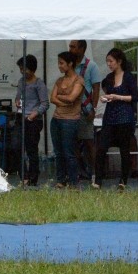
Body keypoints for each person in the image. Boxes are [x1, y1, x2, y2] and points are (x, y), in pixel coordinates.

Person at [93, 48, 138, 191]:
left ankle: (123, 180)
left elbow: (135, 97)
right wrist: (104, 97)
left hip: (125, 117)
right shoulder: (108, 78)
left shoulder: (129, 77)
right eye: (107, 61)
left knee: (124, 150)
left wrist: (118, 97)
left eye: (111, 61)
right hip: (110, 117)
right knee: (101, 148)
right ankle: (98, 180)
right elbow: (106, 92)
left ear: (119, 61)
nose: (109, 64)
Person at [49, 51, 85, 188]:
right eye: (59, 63)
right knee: (58, 152)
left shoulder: (78, 80)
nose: (59, 66)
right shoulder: (59, 80)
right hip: (56, 119)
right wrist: (65, 100)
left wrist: (61, 97)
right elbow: (52, 98)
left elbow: (72, 98)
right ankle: (60, 180)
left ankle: (74, 181)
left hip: (70, 120)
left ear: (70, 64)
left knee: (69, 152)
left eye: (61, 63)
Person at [15, 54, 49, 187]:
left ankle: (33, 178)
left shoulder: (39, 83)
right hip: (20, 116)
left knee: (31, 149)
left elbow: (45, 104)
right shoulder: (20, 81)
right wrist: (17, 102)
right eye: (21, 69)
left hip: (33, 120)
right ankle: (23, 176)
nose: (23, 71)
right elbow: (18, 97)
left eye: (25, 69)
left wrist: (34, 114)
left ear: (32, 69)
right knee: (17, 146)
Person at [69, 40, 101, 182]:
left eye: (73, 47)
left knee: (89, 142)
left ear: (82, 49)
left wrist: (94, 108)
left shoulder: (91, 66)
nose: (70, 49)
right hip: (70, 110)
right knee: (73, 143)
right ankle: (79, 171)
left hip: (85, 110)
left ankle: (95, 172)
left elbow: (96, 88)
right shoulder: (69, 65)